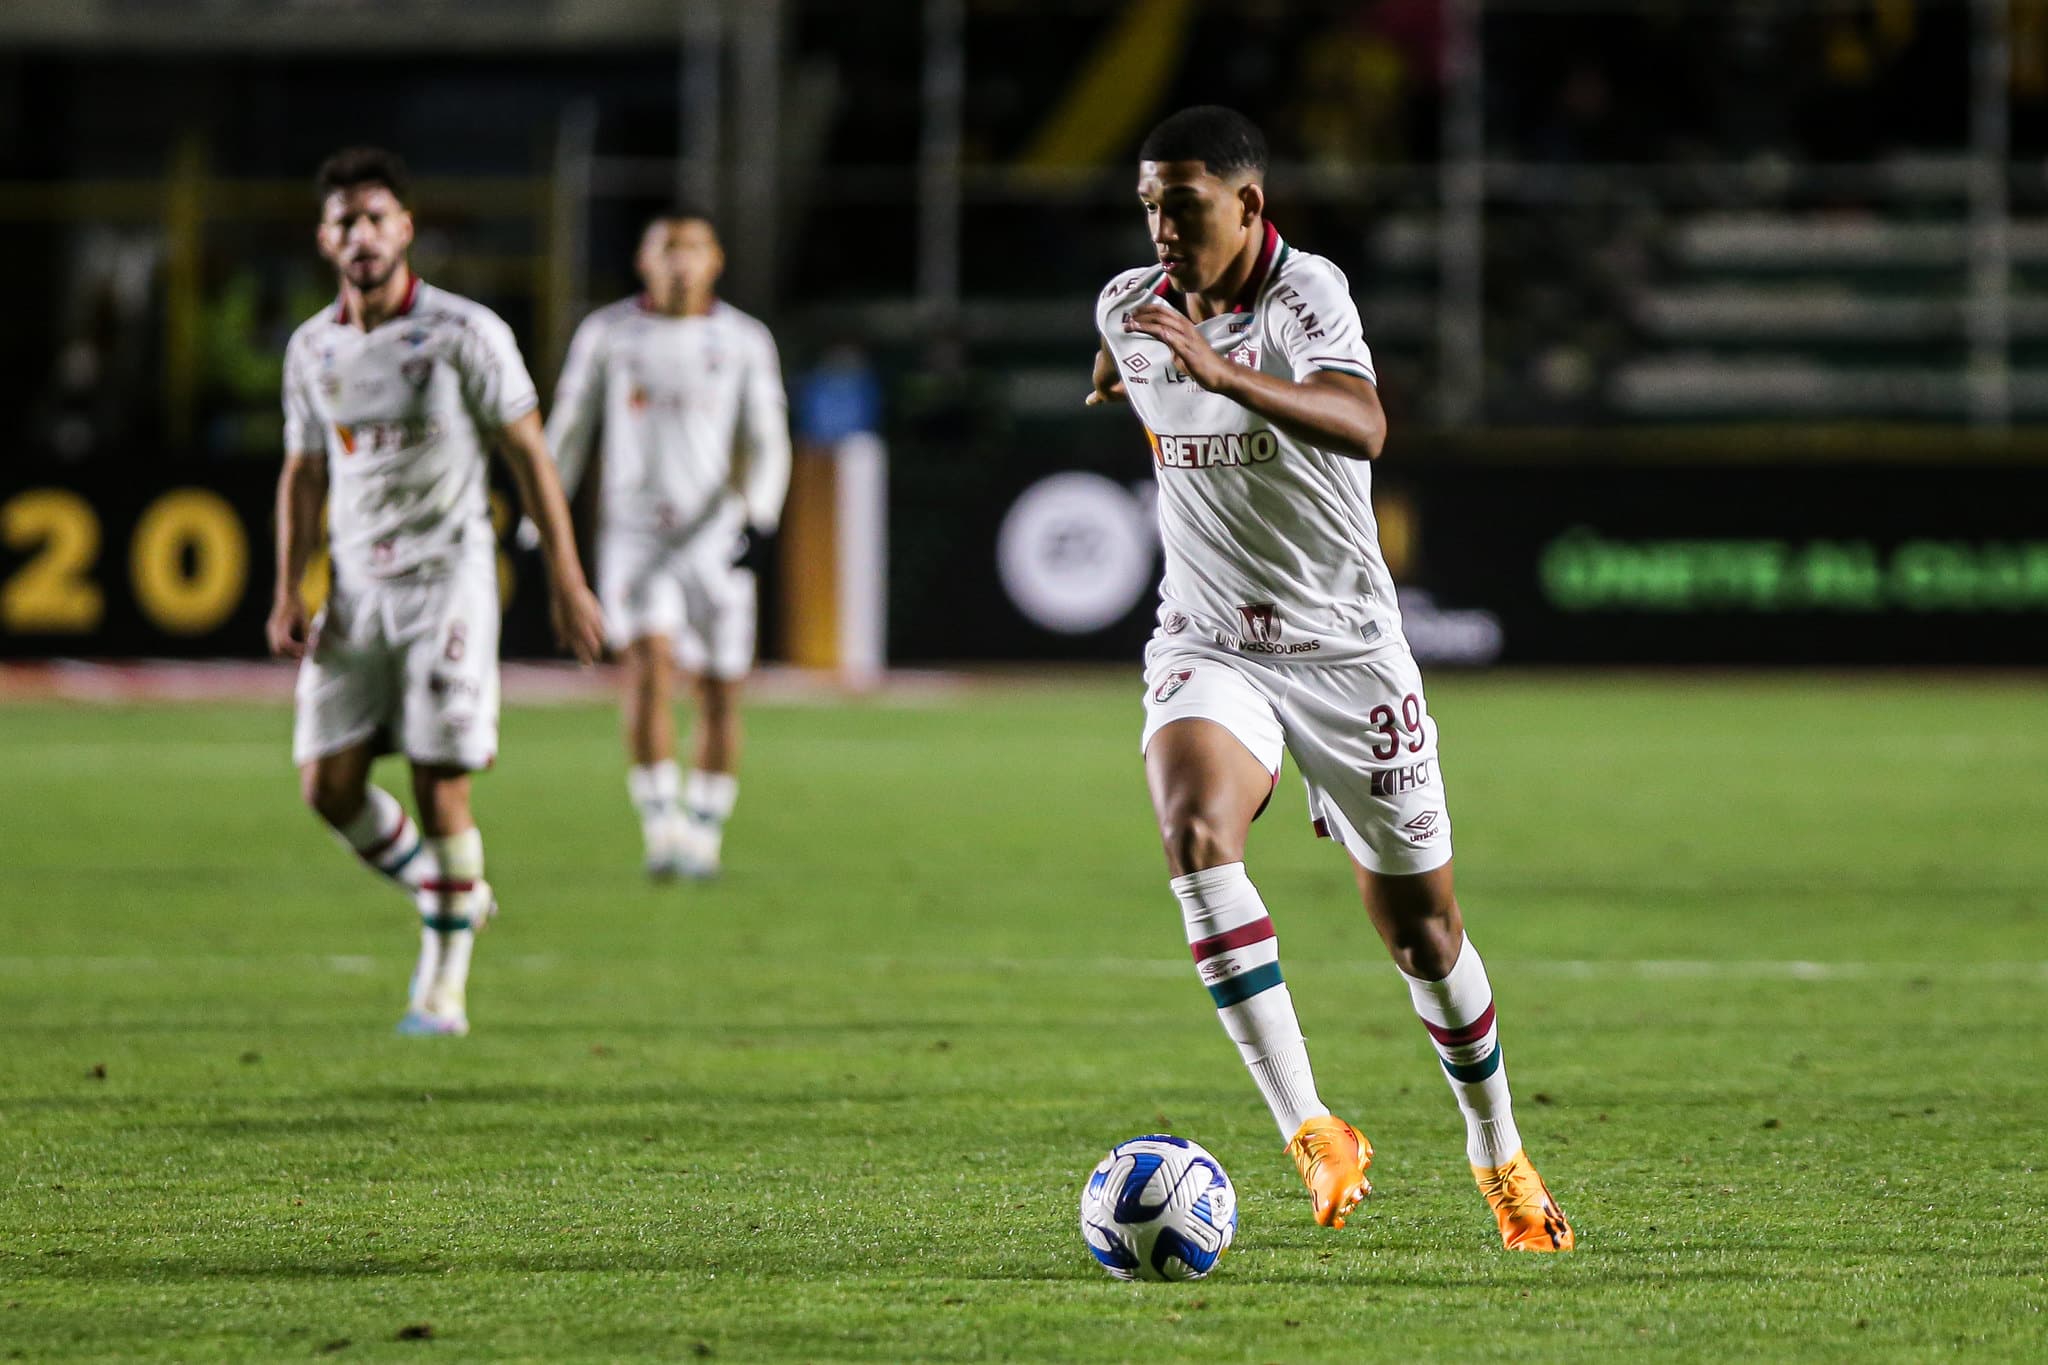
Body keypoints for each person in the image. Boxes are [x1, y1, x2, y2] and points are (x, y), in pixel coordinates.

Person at [1088, 106, 1573, 1251]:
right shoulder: (1127, 302)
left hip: (1346, 654)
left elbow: (1361, 422)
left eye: (1183, 205)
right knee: (1194, 835)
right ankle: (1310, 1128)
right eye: (1148, 205)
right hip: (1208, 640)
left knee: (1423, 936)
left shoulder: (1306, 293)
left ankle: (1496, 1149)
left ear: (1247, 203)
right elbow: (1120, 356)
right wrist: (1124, 367)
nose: (1161, 228)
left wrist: (1216, 370)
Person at [268, 147, 606, 1037]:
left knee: (438, 780)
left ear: (406, 229)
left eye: (376, 218)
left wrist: (567, 578)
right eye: (345, 221)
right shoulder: (312, 348)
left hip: (447, 582)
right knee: (327, 787)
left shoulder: (465, 332)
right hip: (354, 587)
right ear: (325, 239)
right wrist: (289, 586)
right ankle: (450, 889)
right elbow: (304, 472)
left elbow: (530, 454)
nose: (362, 235)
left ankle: (440, 991)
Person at [545, 211, 790, 879]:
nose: (680, 263)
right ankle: (661, 827)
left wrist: (762, 519)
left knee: (721, 688)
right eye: (667, 250)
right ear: (643, 262)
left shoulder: (743, 339)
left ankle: (704, 832)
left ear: (716, 261)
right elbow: (570, 430)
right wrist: (540, 521)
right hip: (635, 534)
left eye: (693, 249)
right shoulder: (608, 334)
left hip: (716, 536)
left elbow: (767, 437)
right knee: (649, 668)